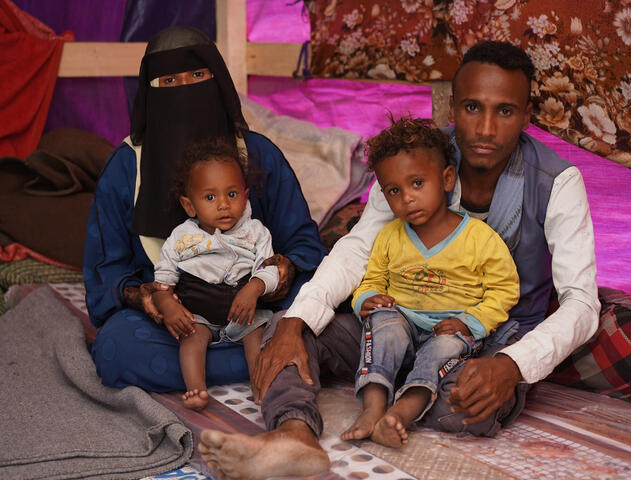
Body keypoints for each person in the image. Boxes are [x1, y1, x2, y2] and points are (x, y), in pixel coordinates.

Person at [199, 41, 599, 480]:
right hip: (396, 319)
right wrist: (299, 321)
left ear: (526, 116)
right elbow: (358, 247)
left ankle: (393, 388)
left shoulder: (558, 181)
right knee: (285, 330)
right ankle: (294, 436)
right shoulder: (414, 158)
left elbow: (581, 301)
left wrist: (512, 366)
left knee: (473, 406)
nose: (485, 128)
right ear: (452, 108)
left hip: (484, 339)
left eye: (504, 111)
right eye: (471, 107)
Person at [83, 26, 326, 393]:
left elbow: (305, 245)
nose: (185, 89)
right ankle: (264, 360)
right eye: (168, 80)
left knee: (327, 313)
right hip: (174, 321)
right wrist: (145, 296)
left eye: (197, 75)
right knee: (118, 349)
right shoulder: (125, 167)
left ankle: (233, 358)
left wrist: (282, 271)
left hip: (256, 306)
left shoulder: (259, 154)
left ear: (219, 81)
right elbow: (107, 268)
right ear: (149, 93)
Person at [341, 116, 519, 447]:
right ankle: (373, 406)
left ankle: (400, 415)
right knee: (383, 324)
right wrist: (366, 297)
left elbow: (504, 290)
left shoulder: (480, 238)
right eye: (394, 190)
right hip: (402, 319)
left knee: (445, 348)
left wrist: (469, 323)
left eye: (417, 183)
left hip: (451, 329)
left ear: (447, 178)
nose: (407, 198)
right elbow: (373, 278)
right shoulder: (390, 235)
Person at [153, 138, 279, 410]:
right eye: (210, 197)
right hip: (199, 312)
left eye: (232, 195)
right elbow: (163, 278)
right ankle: (196, 388)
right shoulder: (183, 237)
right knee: (191, 338)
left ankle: (261, 387)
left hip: (244, 311)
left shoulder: (256, 232)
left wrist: (255, 287)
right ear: (189, 205)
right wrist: (166, 305)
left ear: (245, 196)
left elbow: (270, 270)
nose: (223, 204)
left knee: (258, 336)